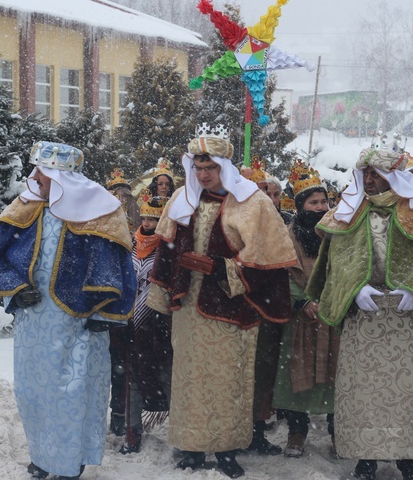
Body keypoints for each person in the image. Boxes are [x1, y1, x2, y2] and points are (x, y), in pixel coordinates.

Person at [306, 136, 413, 480]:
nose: (369, 181)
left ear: (394, 175)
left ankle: (408, 457)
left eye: (376, 174)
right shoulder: (348, 211)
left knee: (407, 393)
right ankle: (364, 458)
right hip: (364, 320)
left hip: (407, 321)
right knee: (362, 392)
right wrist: (353, 289)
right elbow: (336, 263)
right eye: (365, 174)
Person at [0, 141, 136, 480]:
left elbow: (115, 267)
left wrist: (103, 314)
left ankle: (69, 462)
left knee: (73, 393)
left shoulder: (99, 212)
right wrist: (15, 291)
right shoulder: (26, 207)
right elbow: (3, 258)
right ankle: (44, 457)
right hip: (34, 324)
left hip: (77, 323)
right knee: (34, 393)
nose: (34, 177)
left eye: (41, 171)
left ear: (60, 177)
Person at [148, 123, 298, 478]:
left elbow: (269, 263)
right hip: (188, 310)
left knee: (229, 382)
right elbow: (165, 252)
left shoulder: (254, 203)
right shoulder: (182, 197)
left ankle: (228, 450)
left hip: (231, 310)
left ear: (224, 168)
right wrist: (160, 297)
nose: (202, 175)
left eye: (210, 168)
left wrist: (222, 269)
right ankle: (192, 447)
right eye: (197, 168)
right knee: (190, 380)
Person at [273, 159, 339, 459]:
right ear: (300, 206)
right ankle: (297, 431)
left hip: (334, 313)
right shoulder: (286, 235)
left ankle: (340, 432)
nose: (321, 207)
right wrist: (302, 300)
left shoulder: (339, 235)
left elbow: (346, 270)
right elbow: (281, 272)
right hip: (299, 316)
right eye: (313, 202)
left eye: (324, 201)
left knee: (338, 375)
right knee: (294, 376)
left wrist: (330, 300)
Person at [239, 156, 286, 456]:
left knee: (262, 370)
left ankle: (256, 430)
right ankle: (235, 431)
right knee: (237, 372)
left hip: (266, 307)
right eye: (261, 192)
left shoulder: (279, 223)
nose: (268, 199)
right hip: (236, 306)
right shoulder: (234, 219)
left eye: (271, 193)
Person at [119, 191, 172, 455]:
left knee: (167, 375)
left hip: (161, 323)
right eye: (147, 218)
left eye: (156, 219)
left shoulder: (170, 248)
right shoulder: (130, 246)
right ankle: (131, 428)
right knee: (132, 377)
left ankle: (179, 429)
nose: (150, 224)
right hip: (130, 321)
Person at [105, 167, 144, 437]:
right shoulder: (102, 234)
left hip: (133, 312)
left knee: (126, 368)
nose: (121, 200)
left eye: (125, 197)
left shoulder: (142, 238)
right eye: (116, 195)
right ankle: (112, 414)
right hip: (108, 310)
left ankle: (124, 416)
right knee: (109, 366)